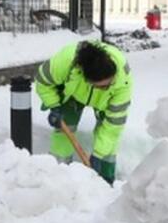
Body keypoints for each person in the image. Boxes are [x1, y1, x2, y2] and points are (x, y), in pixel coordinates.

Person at [34, 41, 133, 185]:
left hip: (105, 102)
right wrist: (54, 106)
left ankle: (106, 180)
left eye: (108, 84)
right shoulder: (65, 62)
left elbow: (113, 127)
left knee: (108, 139)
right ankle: (59, 174)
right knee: (64, 130)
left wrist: (98, 155)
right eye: (101, 86)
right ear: (84, 77)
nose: (106, 87)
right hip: (73, 92)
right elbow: (43, 82)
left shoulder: (122, 82)